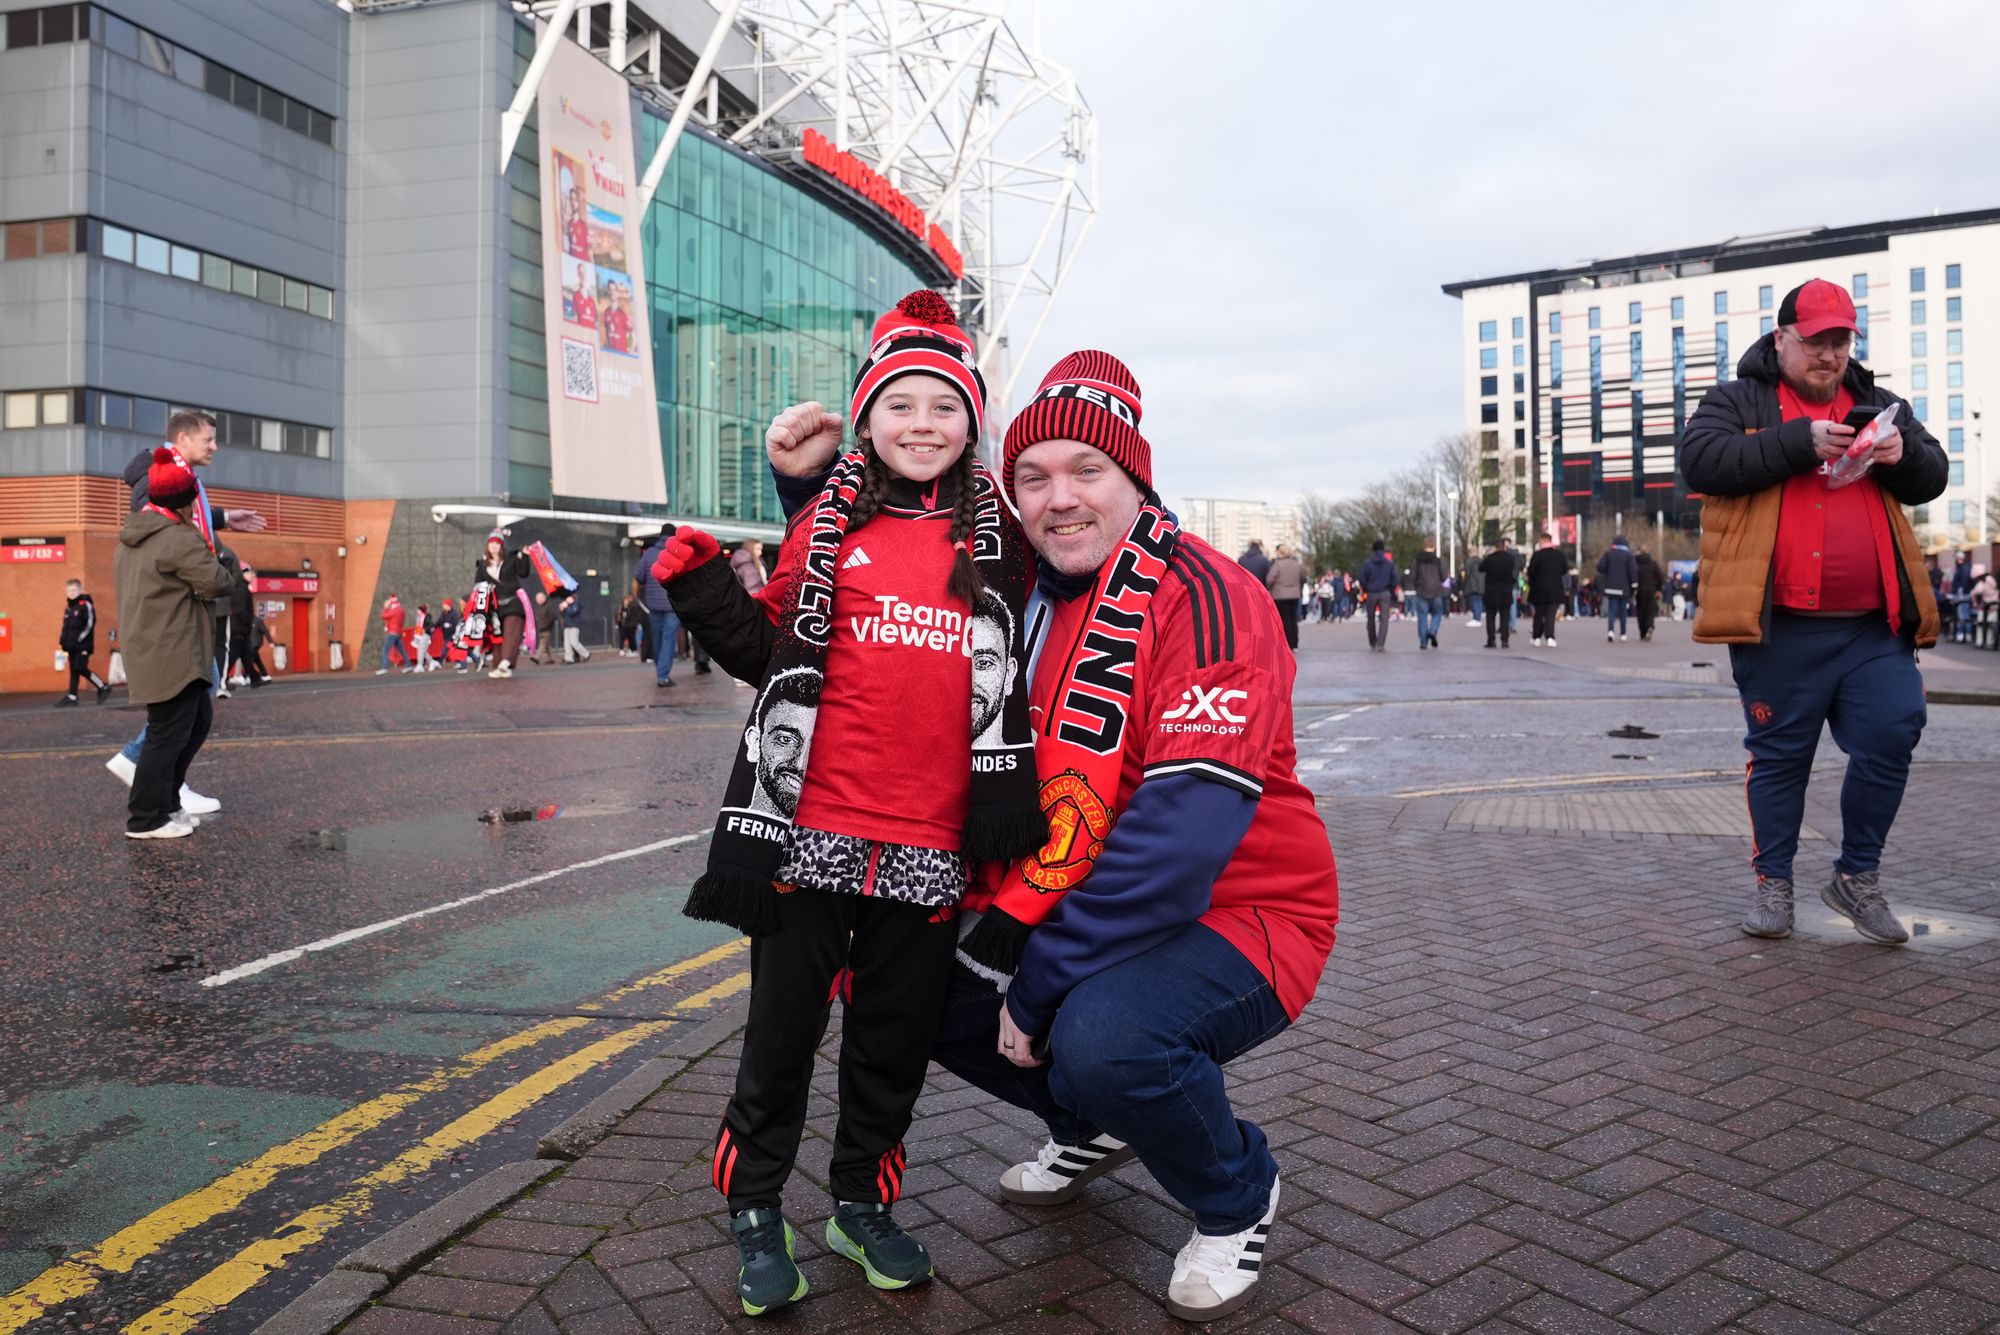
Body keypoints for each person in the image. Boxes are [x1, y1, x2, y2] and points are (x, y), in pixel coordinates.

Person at [647, 291, 1046, 1316]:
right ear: (865, 420)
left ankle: (858, 1203)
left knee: (890, 1046)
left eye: (944, 408)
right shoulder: (829, 526)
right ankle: (753, 1209)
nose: (923, 424)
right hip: (808, 837)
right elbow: (760, 649)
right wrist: (698, 588)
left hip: (927, 847)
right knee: (779, 1040)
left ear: (971, 427)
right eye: (901, 404)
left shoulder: (1003, 537)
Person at [952, 349, 1337, 1321]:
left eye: (1088, 471)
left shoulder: (1206, 596)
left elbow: (1179, 841)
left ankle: (1233, 1195)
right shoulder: (1014, 594)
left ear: (1135, 482)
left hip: (1242, 910)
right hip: (1074, 890)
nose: (1059, 498)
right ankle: (1078, 1128)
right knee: (892, 969)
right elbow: (862, 605)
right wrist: (802, 491)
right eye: (1032, 477)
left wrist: (1036, 983)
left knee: (1106, 1039)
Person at [1681, 278, 1945, 946]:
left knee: (1896, 726)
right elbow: (1700, 459)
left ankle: (1857, 877)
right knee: (1780, 757)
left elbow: (1933, 473)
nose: (1830, 354)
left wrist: (1902, 453)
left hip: (1871, 624)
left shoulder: (1881, 404)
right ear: (1782, 340)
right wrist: (1797, 442)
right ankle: (1775, 886)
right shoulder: (1739, 400)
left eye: (1841, 340)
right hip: (1780, 624)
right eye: (1817, 340)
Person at [105, 411, 262, 811]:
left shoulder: (176, 475)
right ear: (183, 439)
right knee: (184, 714)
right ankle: (148, 780)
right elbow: (162, 525)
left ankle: (165, 787)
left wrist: (224, 517)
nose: (215, 446)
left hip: (185, 611)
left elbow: (176, 514)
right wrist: (220, 559)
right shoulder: (157, 479)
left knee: (193, 711)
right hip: (172, 621)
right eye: (208, 439)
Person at [115, 449, 233, 838]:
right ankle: (146, 818)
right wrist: (225, 560)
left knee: (193, 722)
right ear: (185, 501)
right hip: (174, 649)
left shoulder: (136, 533)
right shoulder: (177, 538)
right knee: (168, 733)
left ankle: (167, 804)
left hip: (156, 646)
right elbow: (217, 581)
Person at [474, 533, 533, 678]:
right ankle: (499, 666)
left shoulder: (511, 559)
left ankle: (505, 662)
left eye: (497, 543)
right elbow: (478, 584)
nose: (494, 546)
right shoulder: (482, 565)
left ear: (501, 546)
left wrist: (524, 556)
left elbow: (523, 572)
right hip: (495, 606)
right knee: (498, 636)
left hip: (513, 602)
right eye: (491, 543)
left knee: (512, 633)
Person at [632, 527, 686, 687]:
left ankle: (660, 669)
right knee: (668, 639)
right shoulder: (677, 553)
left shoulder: (648, 554)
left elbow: (636, 578)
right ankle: (663, 675)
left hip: (653, 605)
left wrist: (637, 599)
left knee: (657, 638)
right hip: (672, 605)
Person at [1527, 533, 1569, 647]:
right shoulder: (1559, 555)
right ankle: (1550, 636)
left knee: (1539, 614)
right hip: (1555, 589)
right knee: (1551, 614)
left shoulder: (1537, 555)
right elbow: (1564, 569)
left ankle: (1536, 637)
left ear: (1542, 540)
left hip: (1539, 589)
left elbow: (1531, 571)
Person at [1262, 542, 1305, 650]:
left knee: (1284, 620)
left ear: (1280, 553)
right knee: (1293, 619)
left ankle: (1288, 644)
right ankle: (1295, 643)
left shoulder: (1278, 565)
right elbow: (1303, 578)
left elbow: (1269, 579)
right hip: (1294, 595)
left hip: (1280, 596)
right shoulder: (1296, 564)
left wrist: (1270, 587)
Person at [1357, 539, 1397, 651]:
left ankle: (1372, 641)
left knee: (1370, 618)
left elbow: (1361, 578)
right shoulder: (1389, 563)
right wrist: (1391, 589)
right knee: (1384, 619)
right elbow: (1395, 578)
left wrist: (1365, 588)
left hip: (1371, 592)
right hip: (1385, 592)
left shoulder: (1367, 563)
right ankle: (1381, 643)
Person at [1596, 535, 1636, 642]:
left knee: (1611, 610)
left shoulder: (1609, 554)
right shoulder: (1629, 556)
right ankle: (1623, 633)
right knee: (1623, 611)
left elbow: (1600, 567)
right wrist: (1634, 585)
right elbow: (1633, 572)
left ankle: (1610, 631)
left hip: (1610, 587)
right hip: (1624, 588)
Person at [1408, 537, 1445, 650]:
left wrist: (1416, 585)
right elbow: (1444, 576)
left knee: (1422, 616)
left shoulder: (1417, 560)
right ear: (1433, 546)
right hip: (1436, 591)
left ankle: (1423, 642)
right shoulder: (1438, 560)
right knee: (1437, 613)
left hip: (1422, 591)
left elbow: (1412, 576)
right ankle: (1433, 631)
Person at [1478, 536, 1514, 649]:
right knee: (1505, 617)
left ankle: (1491, 640)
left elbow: (1481, 568)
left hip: (1491, 591)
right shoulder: (1510, 559)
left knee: (1490, 617)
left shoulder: (1490, 559)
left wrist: (1488, 555)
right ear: (1504, 547)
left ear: (1495, 547)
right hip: (1505, 590)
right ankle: (1505, 640)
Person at [1634, 546, 1665, 642]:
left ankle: (1643, 632)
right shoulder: (1653, 564)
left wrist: (1633, 589)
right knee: (1650, 611)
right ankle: (1650, 626)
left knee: (1640, 612)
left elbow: (1632, 577)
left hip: (1639, 591)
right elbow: (1660, 577)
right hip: (1651, 590)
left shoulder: (1635, 564)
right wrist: (1658, 589)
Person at [377, 594, 410, 674]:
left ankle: (384, 668)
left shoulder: (395, 610)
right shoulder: (401, 610)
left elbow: (383, 616)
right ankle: (409, 666)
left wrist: (385, 608)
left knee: (385, 650)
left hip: (392, 632)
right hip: (398, 632)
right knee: (402, 650)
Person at [528, 589, 560, 665]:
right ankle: (552, 658)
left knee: (542, 644)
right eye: (537, 600)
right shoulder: (540, 607)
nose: (537, 601)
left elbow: (552, 617)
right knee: (547, 645)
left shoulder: (549, 606)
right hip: (541, 628)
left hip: (546, 628)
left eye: (539, 599)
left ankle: (537, 657)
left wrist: (546, 625)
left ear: (543, 598)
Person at [560, 594, 590, 663]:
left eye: (568, 598)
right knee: (567, 643)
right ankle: (569, 658)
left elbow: (572, 612)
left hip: (574, 626)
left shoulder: (576, 605)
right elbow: (564, 615)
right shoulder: (568, 606)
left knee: (574, 642)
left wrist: (566, 607)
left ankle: (586, 654)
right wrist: (562, 609)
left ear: (572, 598)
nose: (566, 599)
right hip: (567, 626)